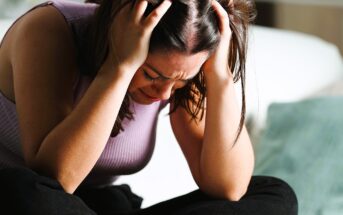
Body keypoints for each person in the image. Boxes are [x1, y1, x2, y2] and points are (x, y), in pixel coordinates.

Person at [0, 0, 298, 214]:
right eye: (152, 75)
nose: (164, 92)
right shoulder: (51, 29)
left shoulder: (184, 65)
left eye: (180, 80)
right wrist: (120, 68)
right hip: (28, 199)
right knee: (23, 191)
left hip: (98, 205)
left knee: (274, 194)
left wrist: (217, 76)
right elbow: (55, 177)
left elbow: (229, 188)